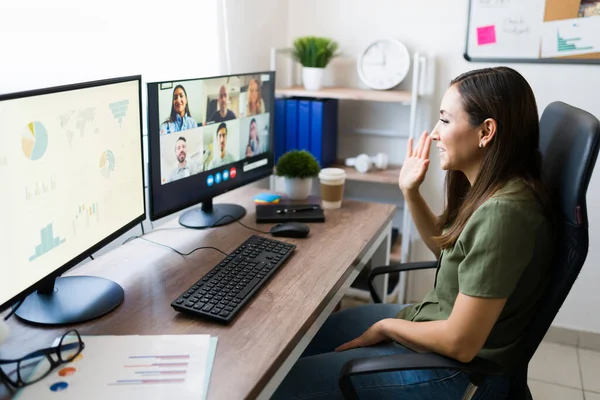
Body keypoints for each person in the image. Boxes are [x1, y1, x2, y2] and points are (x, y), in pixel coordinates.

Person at [271, 66, 554, 399]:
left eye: (446, 120)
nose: (434, 133)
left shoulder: (503, 213)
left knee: (283, 386)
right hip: (432, 323)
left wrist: (386, 327)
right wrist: (410, 191)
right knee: (306, 342)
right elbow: (448, 251)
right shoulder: (492, 190)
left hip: (454, 370)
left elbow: (460, 344)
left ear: (486, 131)